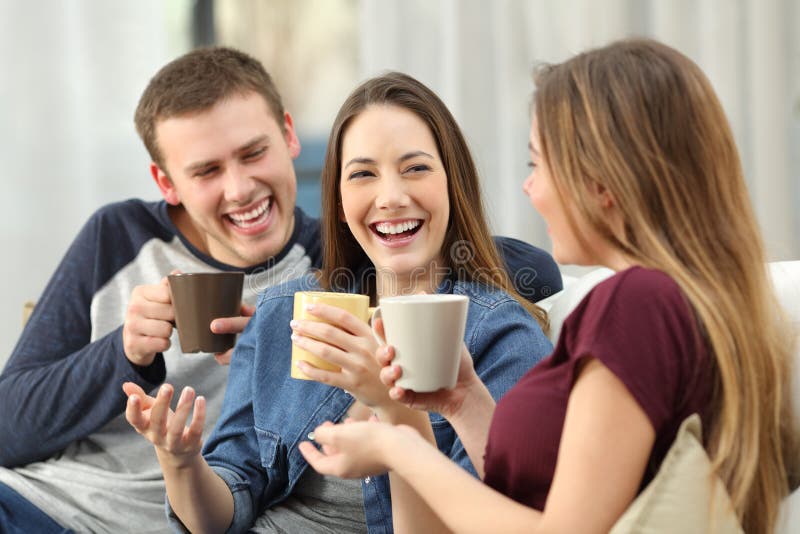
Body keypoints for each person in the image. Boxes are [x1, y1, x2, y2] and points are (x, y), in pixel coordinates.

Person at [0, 48, 559, 532]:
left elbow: (497, 512)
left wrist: (392, 406)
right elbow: (229, 493)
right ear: (338, 198)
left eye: (415, 168)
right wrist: (170, 440)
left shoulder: (496, 334)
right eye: (362, 174)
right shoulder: (282, 307)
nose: (240, 188)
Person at [298, 38, 800, 534]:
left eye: (537, 163)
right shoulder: (664, 301)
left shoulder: (637, 304)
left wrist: (397, 447)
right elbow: (554, 493)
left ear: (601, 183)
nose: (529, 187)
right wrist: (466, 402)